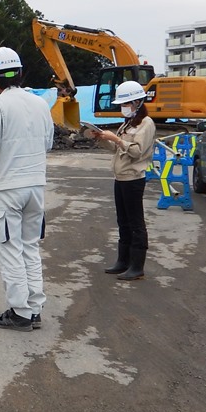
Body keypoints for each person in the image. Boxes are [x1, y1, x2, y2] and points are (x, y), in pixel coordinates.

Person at [0, 47, 54, 332]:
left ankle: (20, 312)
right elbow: (48, 143)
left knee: (10, 249)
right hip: (35, 186)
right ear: (19, 73)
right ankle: (34, 308)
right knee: (30, 247)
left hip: (7, 187)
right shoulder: (40, 104)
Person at [87, 80, 156, 281]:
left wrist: (116, 139)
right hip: (121, 178)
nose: (123, 108)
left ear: (137, 103)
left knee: (135, 222)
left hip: (133, 179)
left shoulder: (146, 124)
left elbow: (136, 151)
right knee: (123, 221)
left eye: (126, 104)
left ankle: (137, 266)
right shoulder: (128, 123)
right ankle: (123, 261)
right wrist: (102, 138)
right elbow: (117, 149)